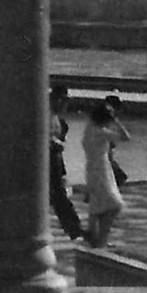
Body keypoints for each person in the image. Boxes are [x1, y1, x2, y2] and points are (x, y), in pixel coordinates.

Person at [82, 99, 132, 247]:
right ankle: (101, 239)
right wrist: (116, 121)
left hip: (92, 169)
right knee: (114, 205)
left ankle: (95, 237)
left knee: (97, 205)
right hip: (102, 170)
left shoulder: (89, 128)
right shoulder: (100, 132)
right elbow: (126, 137)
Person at [47, 85, 87, 242]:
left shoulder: (59, 120)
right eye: (64, 101)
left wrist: (63, 173)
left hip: (54, 164)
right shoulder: (45, 115)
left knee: (60, 199)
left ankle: (75, 231)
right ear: (56, 100)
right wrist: (54, 142)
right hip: (44, 164)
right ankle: (75, 231)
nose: (66, 105)